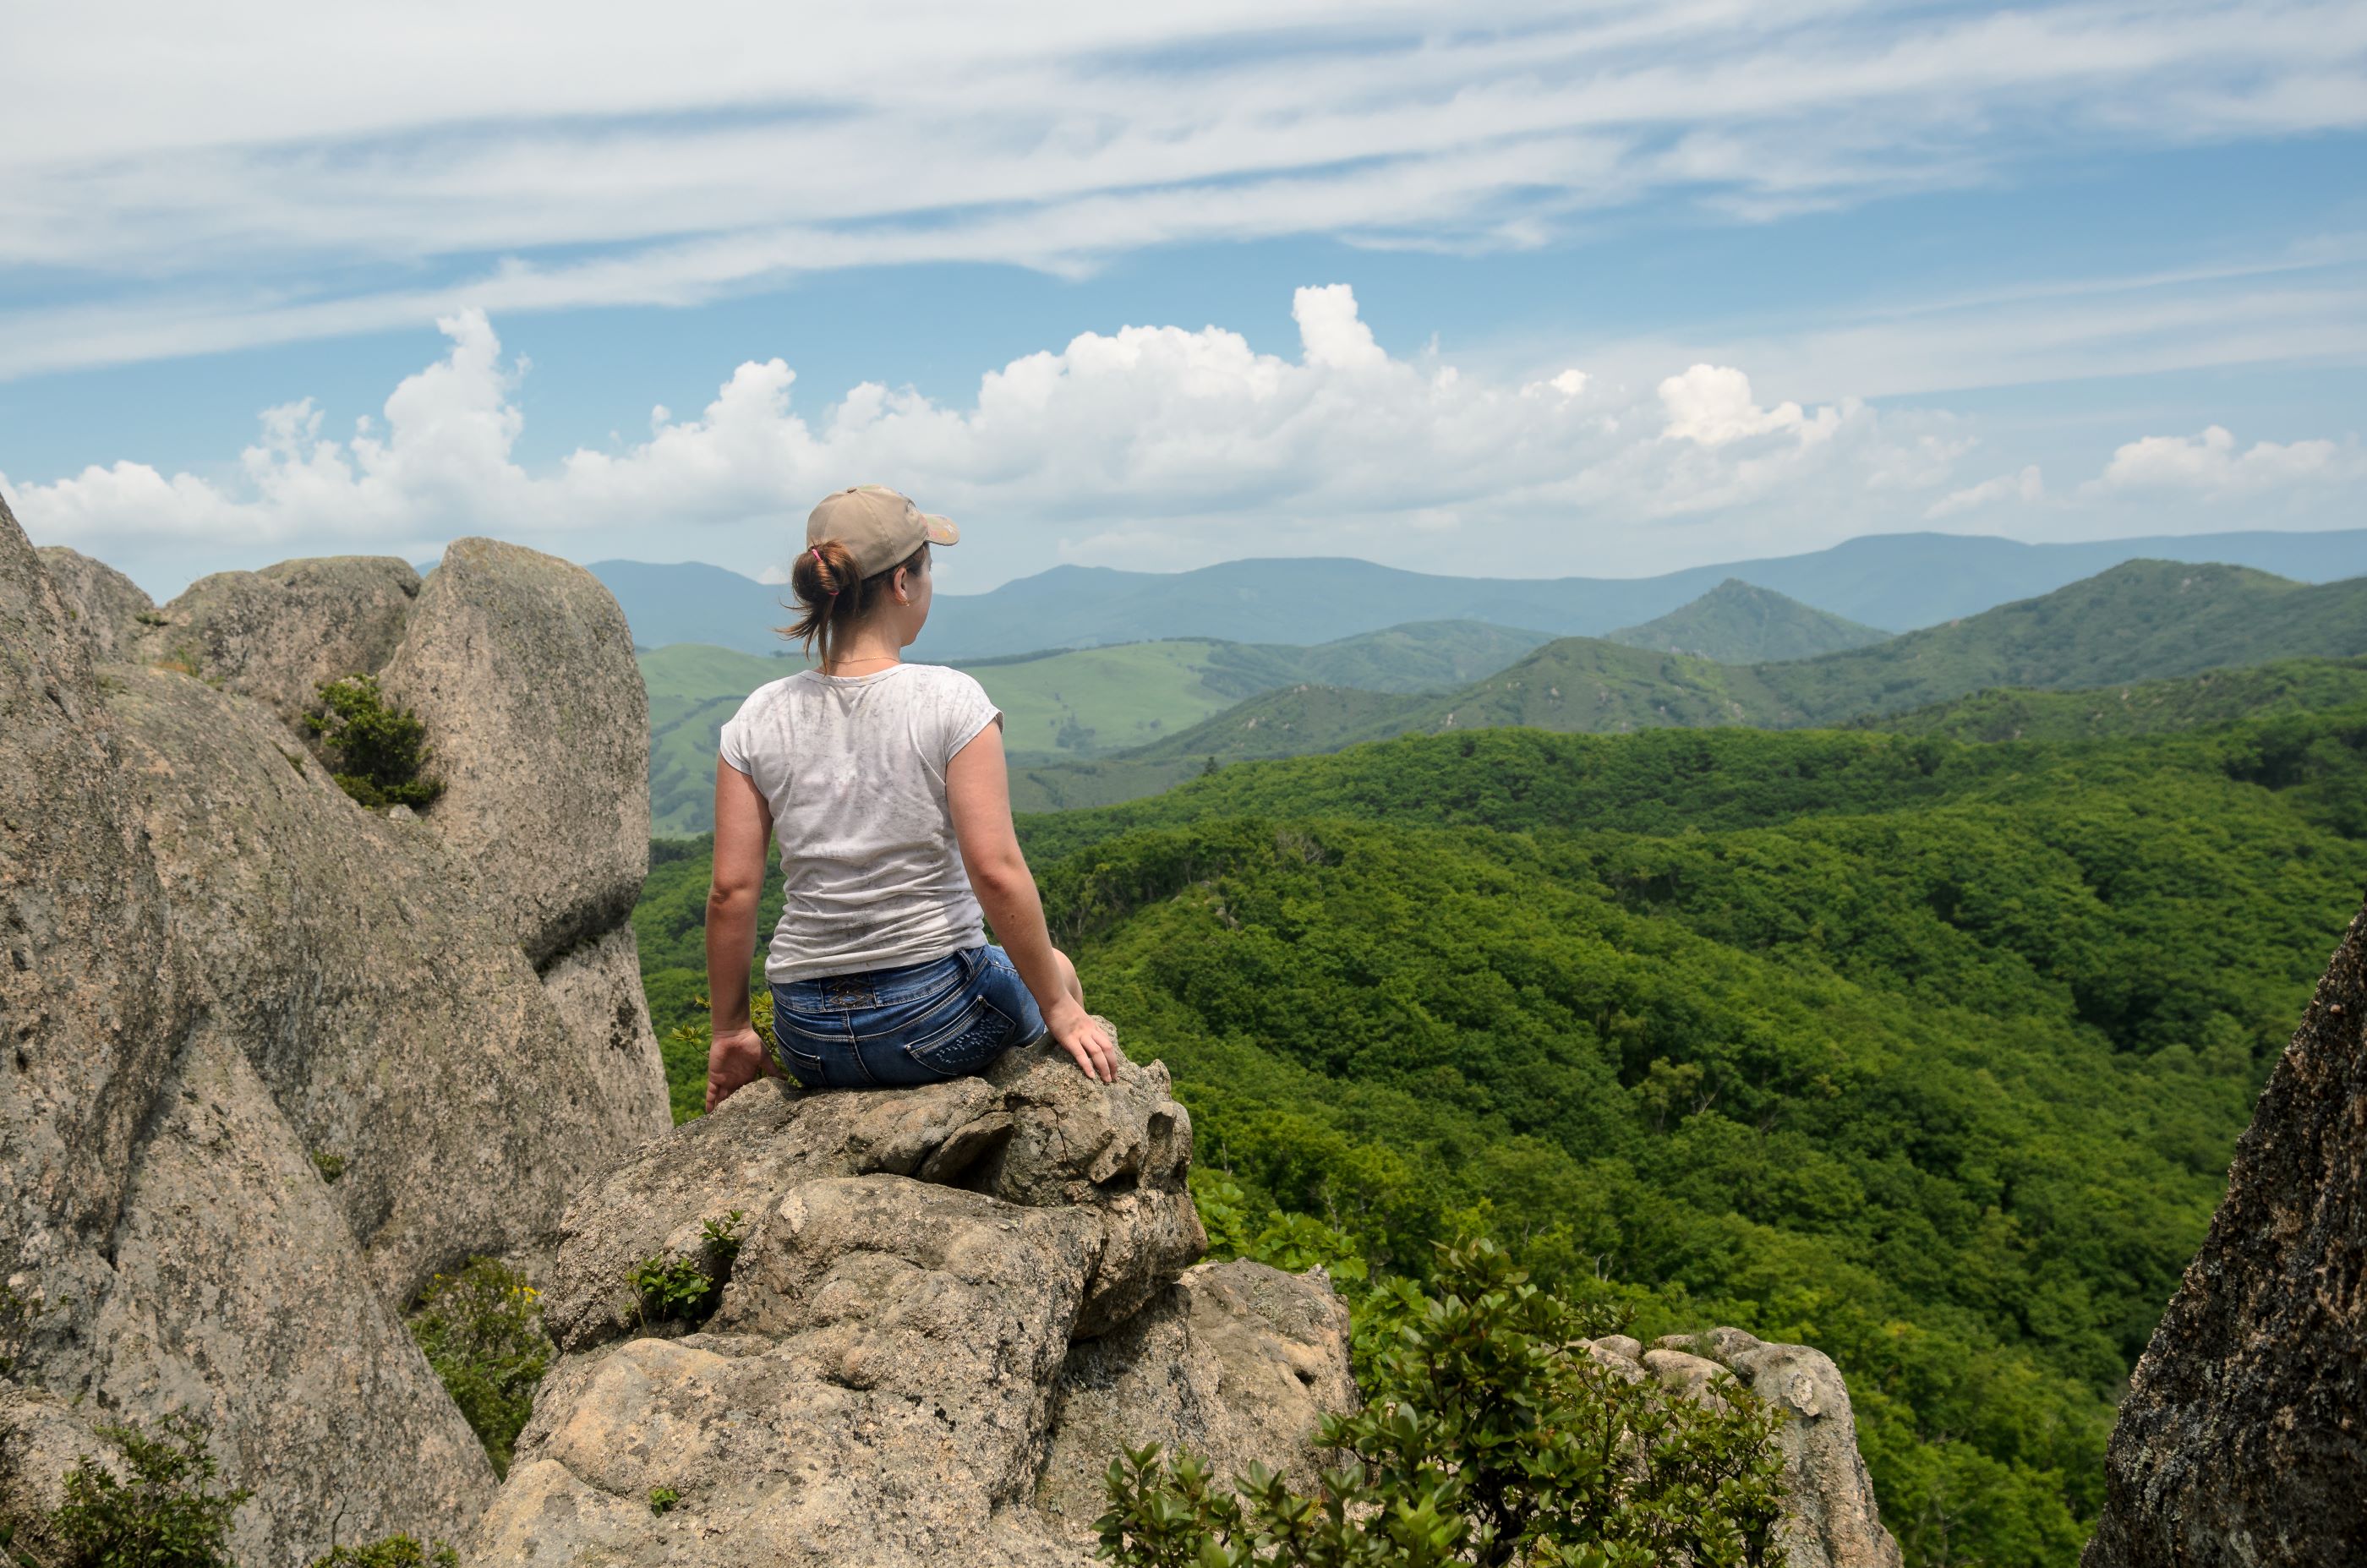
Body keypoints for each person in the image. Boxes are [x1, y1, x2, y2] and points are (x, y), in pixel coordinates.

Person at [702, 484, 1121, 1111]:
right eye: (927, 568)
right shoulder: (951, 701)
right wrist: (1059, 1008)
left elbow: (731, 891)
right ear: (903, 584)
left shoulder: (757, 717)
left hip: (808, 1034)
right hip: (937, 1019)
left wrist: (731, 1030)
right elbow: (995, 870)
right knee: (1055, 968)